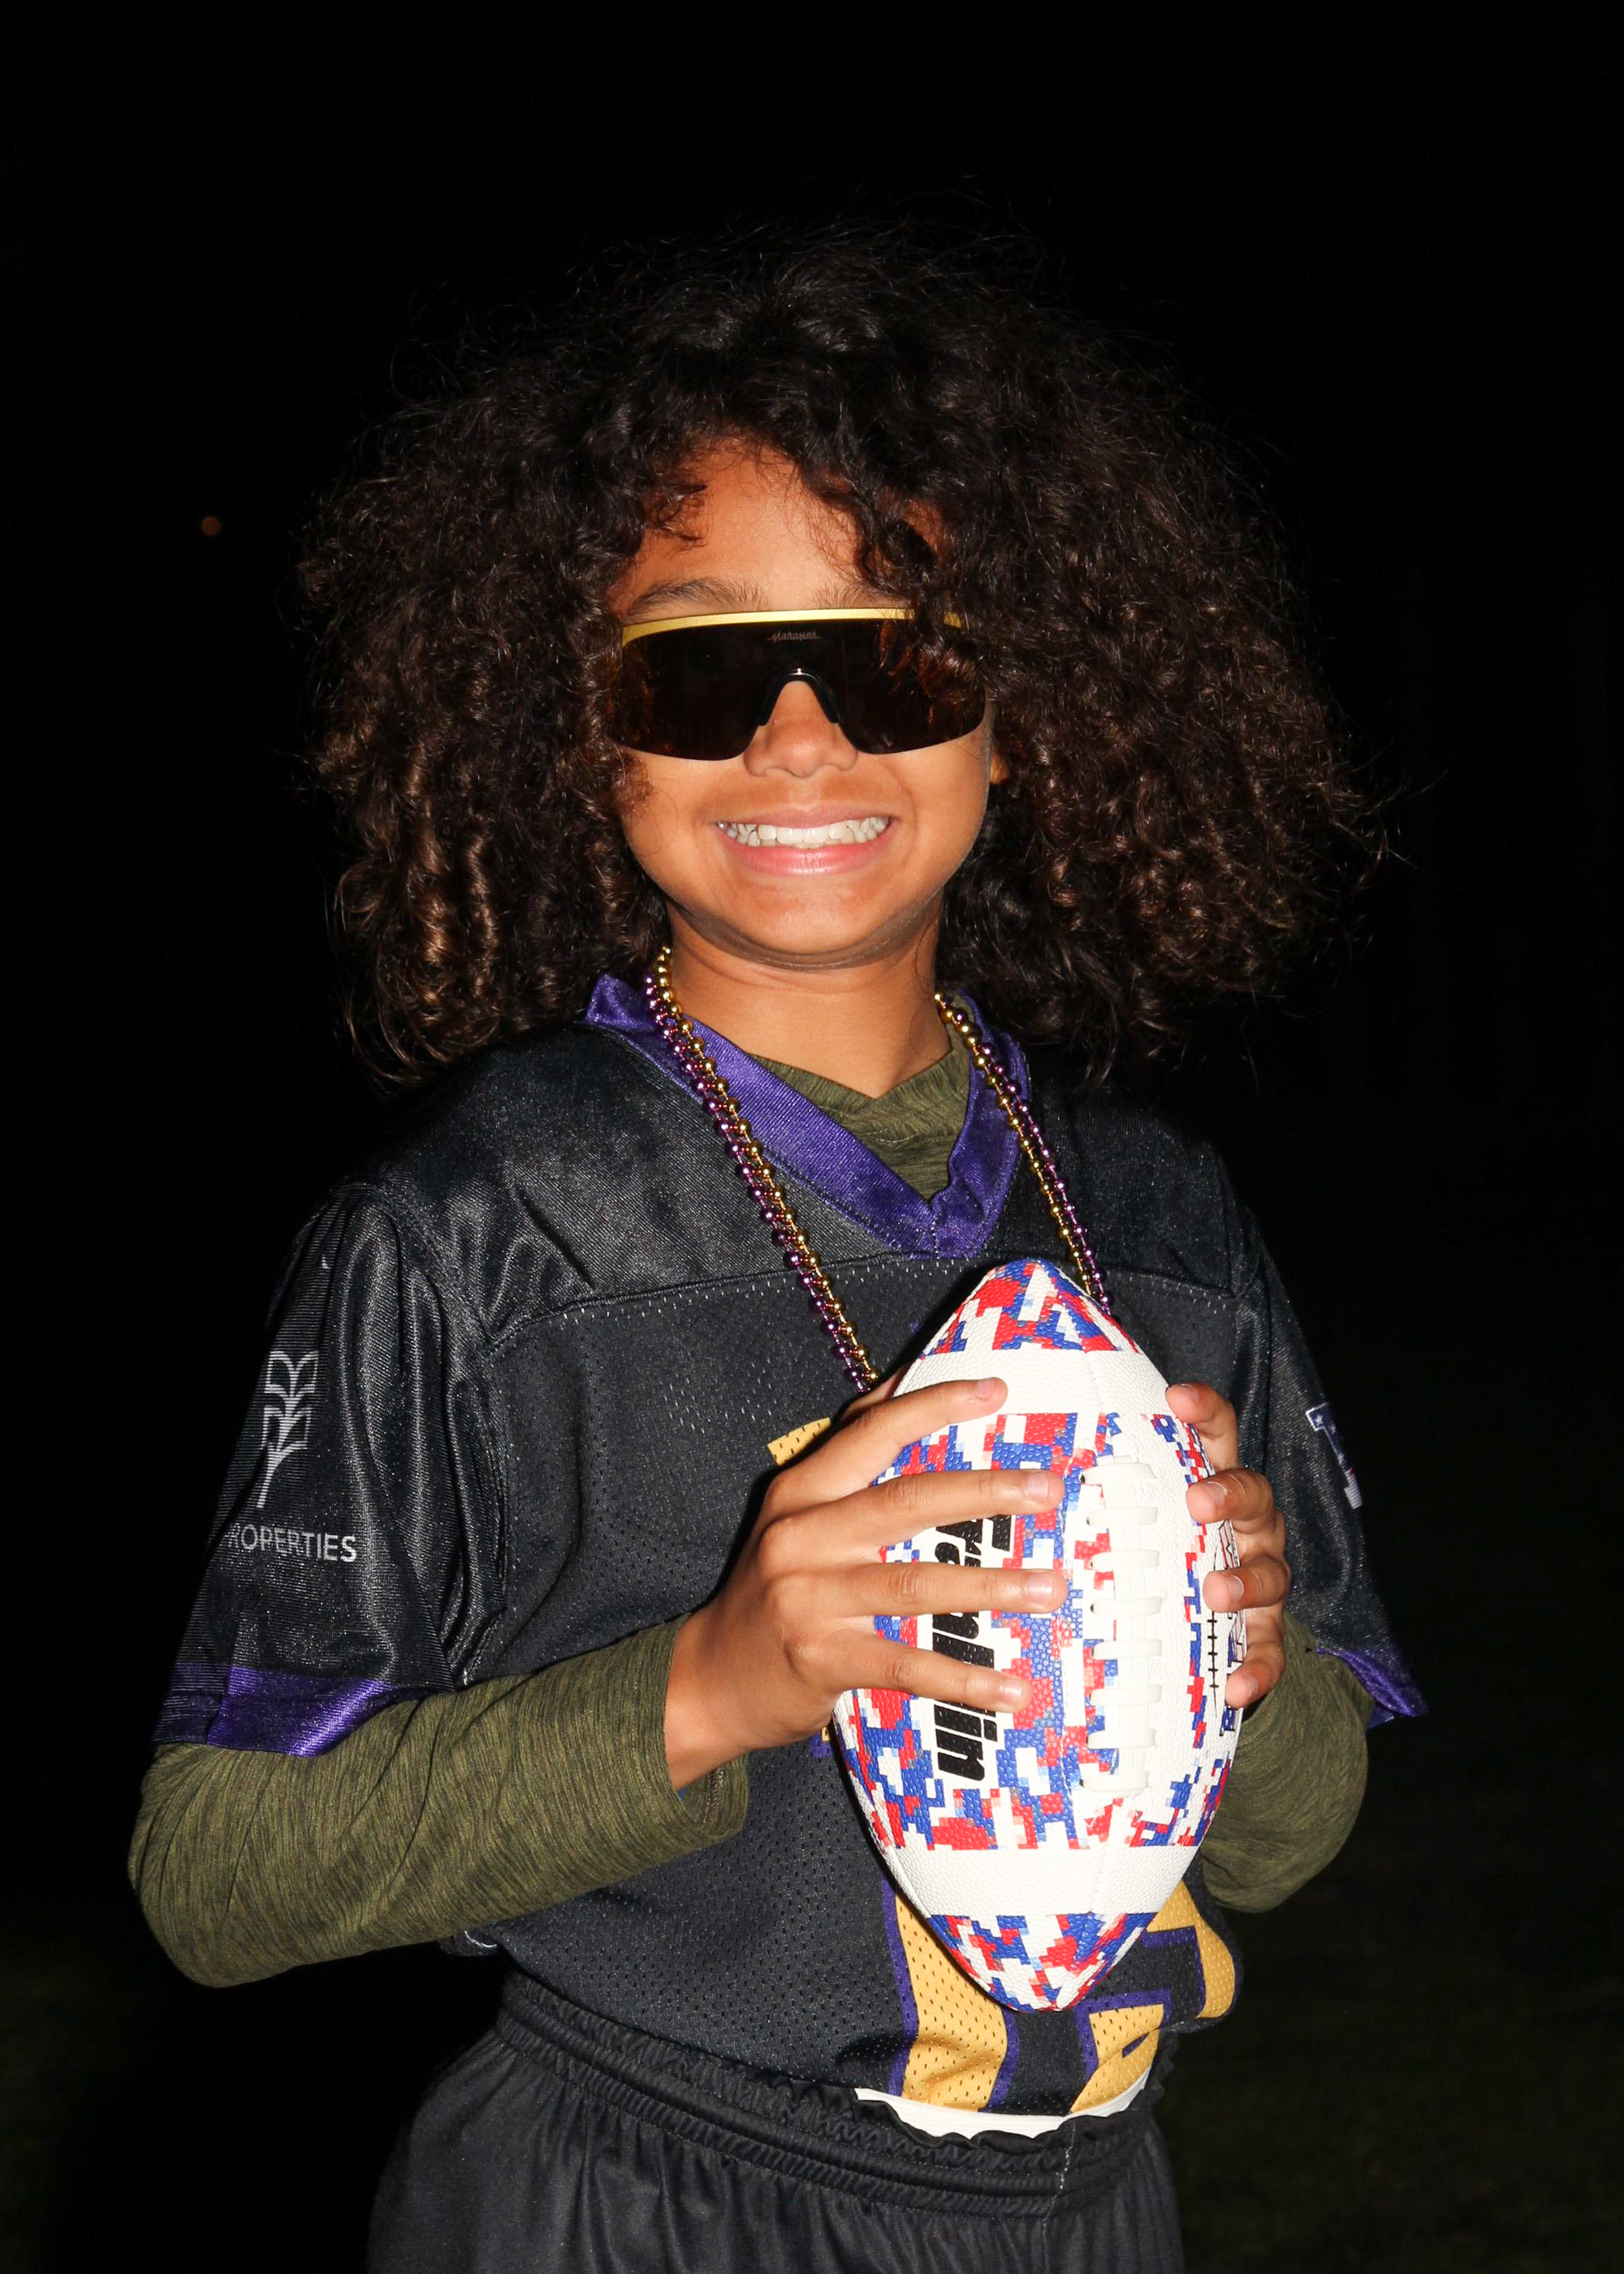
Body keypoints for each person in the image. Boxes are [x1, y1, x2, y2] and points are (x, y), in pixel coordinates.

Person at [131, 232, 1421, 2272]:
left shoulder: (1160, 1218)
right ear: (582, 730)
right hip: (630, 2190)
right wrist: (713, 1682)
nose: (801, 741)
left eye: (896, 660)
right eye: (697, 670)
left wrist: (1240, 1667)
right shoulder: (479, 1231)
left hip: (1084, 2206)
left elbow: (1285, 1838)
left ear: (1018, 712)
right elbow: (215, 1872)